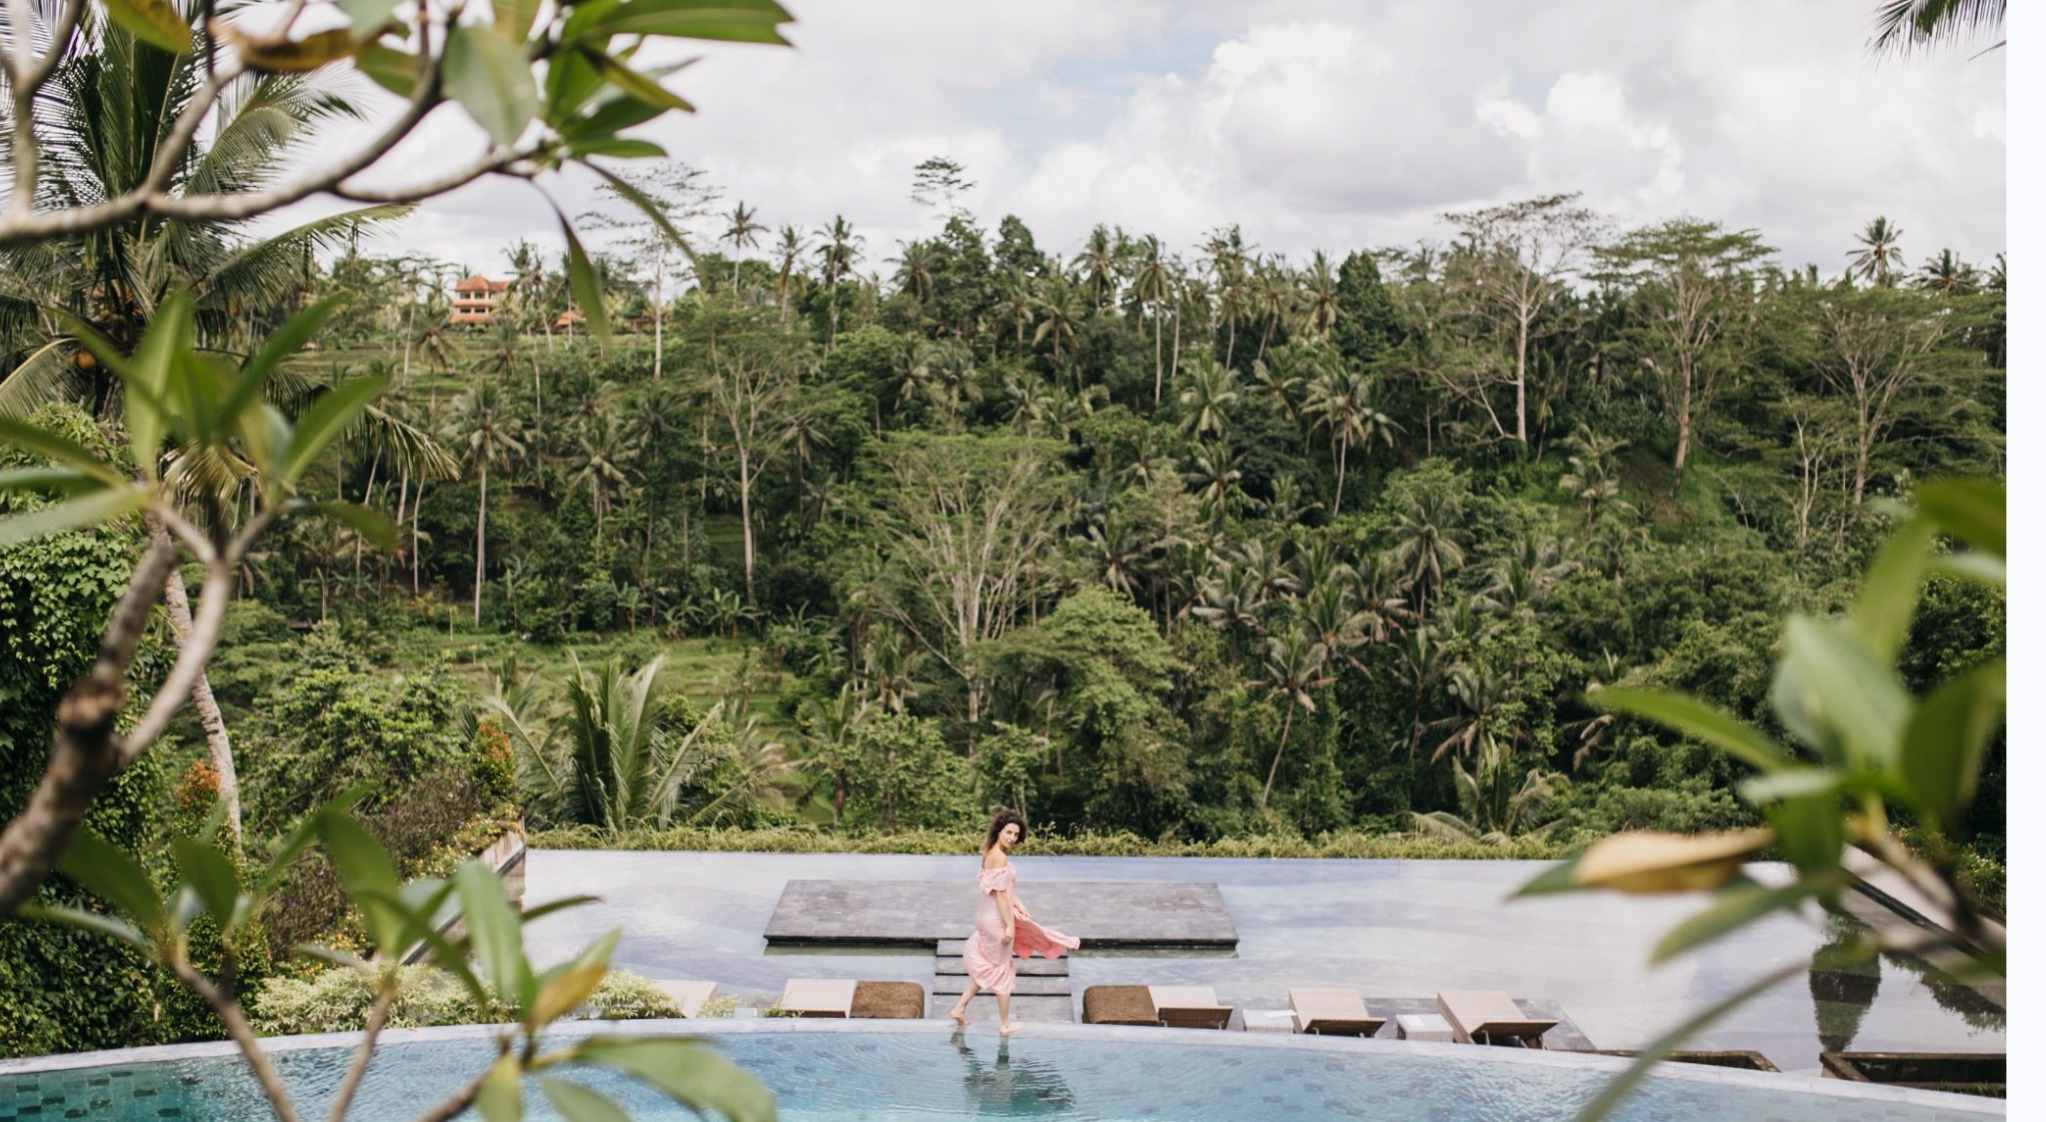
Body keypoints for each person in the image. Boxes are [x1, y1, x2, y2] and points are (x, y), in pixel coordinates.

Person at [946, 808, 1080, 1035]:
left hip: (985, 917)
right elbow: (999, 893)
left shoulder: (988, 851)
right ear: (999, 830)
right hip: (996, 920)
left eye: (1015, 835)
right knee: (1002, 970)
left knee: (990, 966)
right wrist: (1009, 924)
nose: (1011, 838)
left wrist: (1018, 903)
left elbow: (1003, 888)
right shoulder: (1000, 856)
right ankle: (1004, 1024)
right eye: (1008, 832)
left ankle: (959, 1009)